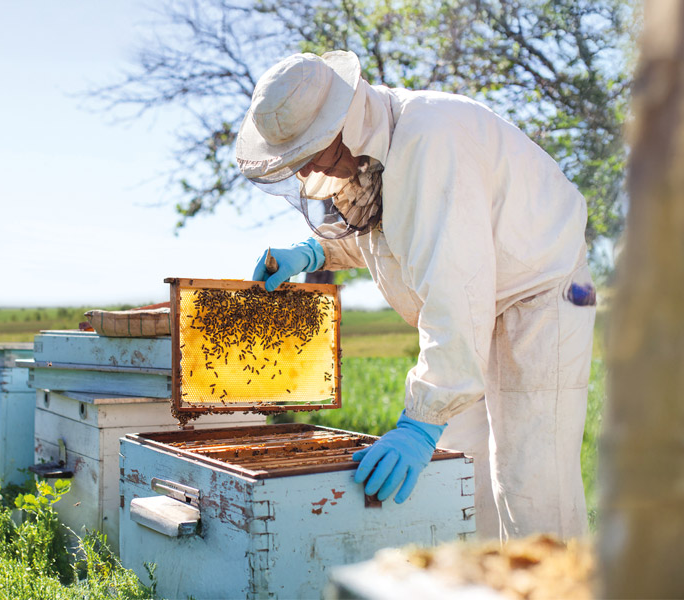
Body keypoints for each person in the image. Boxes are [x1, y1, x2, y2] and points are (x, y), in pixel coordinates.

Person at [236, 50, 597, 542]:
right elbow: (392, 232)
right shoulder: (373, 149)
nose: (302, 174)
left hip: (539, 293)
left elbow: (455, 283)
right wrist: (314, 252)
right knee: (462, 470)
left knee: (531, 480)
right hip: (478, 300)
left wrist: (418, 423)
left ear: (337, 125)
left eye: (307, 153)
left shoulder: (430, 141)